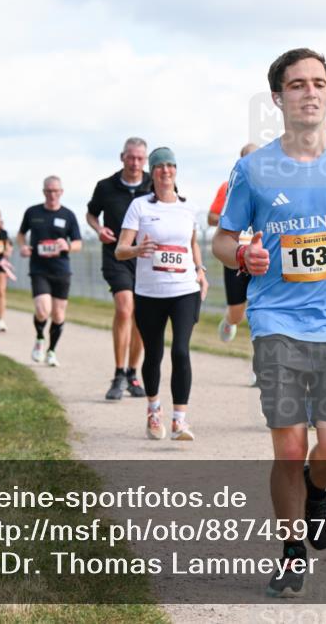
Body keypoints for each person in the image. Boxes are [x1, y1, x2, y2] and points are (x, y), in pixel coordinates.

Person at [212, 48, 326, 597]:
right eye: (298, 84)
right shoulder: (253, 169)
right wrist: (243, 255)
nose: (310, 92)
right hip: (276, 319)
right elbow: (221, 239)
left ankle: (316, 489)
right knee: (287, 446)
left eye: (319, 83)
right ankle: (290, 552)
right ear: (277, 97)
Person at [116, 147, 208, 441]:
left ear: (176, 170)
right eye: (159, 166)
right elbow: (120, 250)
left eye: (170, 165)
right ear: (152, 172)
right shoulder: (140, 206)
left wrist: (200, 270)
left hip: (185, 290)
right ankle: (154, 410)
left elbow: (192, 244)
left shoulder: (188, 207)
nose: (165, 170)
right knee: (153, 353)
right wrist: (137, 250)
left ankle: (180, 420)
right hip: (149, 293)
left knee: (180, 350)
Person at [87, 137, 152, 400]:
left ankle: (133, 374)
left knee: (142, 317)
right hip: (117, 255)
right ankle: (118, 374)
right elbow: (91, 213)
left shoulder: (153, 184)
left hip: (146, 257)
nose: (135, 163)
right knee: (125, 308)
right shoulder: (106, 186)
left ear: (145, 160)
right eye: (131, 157)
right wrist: (98, 229)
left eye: (140, 158)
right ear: (122, 157)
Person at [17, 175, 82, 367]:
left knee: (58, 314)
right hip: (39, 268)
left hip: (61, 269)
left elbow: (78, 243)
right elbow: (21, 234)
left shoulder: (68, 215)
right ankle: (39, 338)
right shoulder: (32, 212)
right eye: (48, 191)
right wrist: (23, 246)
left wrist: (67, 246)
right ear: (43, 192)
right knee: (42, 309)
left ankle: (51, 351)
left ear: (61, 192)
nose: (52, 194)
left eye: (55, 191)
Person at [208, 144, 258, 372]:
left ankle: (260, 367)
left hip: (262, 257)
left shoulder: (271, 186)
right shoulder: (229, 186)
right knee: (238, 313)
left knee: (261, 313)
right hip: (235, 255)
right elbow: (211, 217)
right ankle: (230, 321)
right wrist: (233, 216)